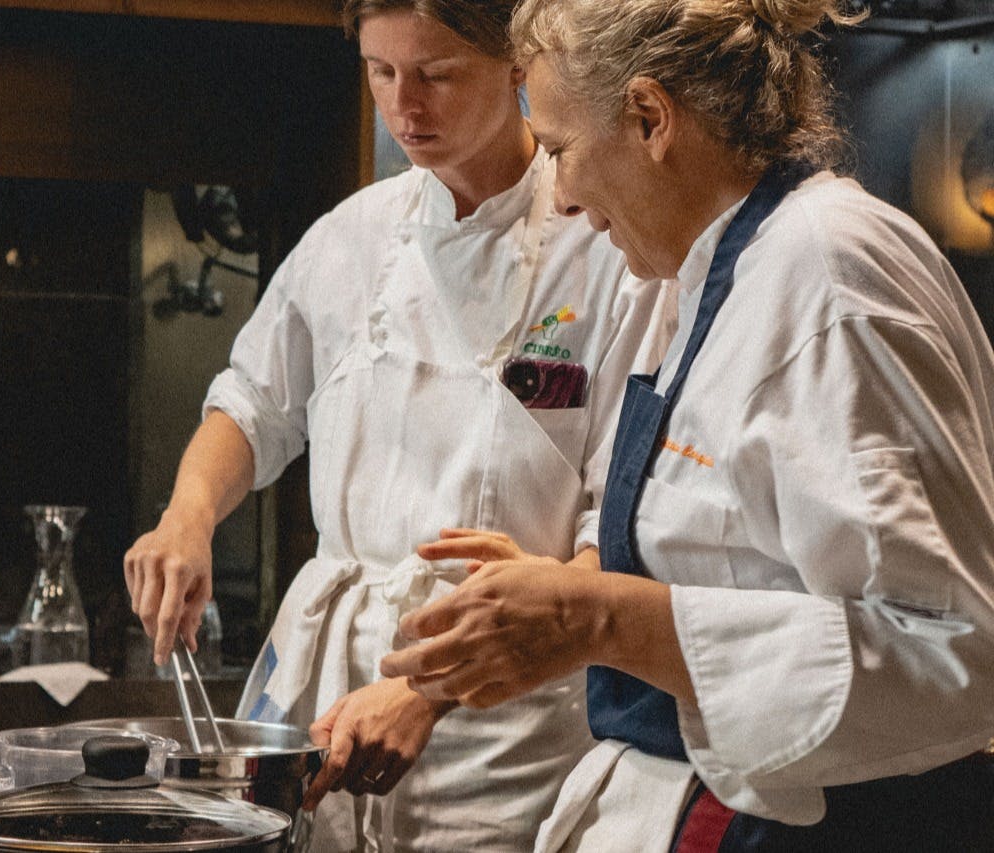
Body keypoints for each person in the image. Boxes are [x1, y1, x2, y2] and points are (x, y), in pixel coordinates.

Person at [380, 0, 994, 849]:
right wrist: (573, 584)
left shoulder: (828, 274)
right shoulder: (707, 276)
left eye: (559, 150)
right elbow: (734, 549)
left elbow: (947, 655)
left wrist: (600, 617)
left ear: (650, 117)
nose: (563, 199)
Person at [122, 1, 675, 849]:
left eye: (436, 74)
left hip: (504, 726)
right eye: (380, 72)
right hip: (324, 702)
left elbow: (622, 525)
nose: (403, 106)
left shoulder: (607, 248)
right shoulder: (351, 237)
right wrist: (186, 518)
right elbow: (251, 403)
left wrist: (427, 688)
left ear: (518, 64)